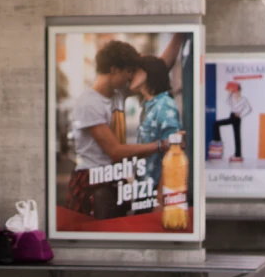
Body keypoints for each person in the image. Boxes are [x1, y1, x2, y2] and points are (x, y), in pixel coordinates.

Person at [65, 36, 185, 219]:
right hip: (94, 183)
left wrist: (178, 37)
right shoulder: (89, 103)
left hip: (112, 179)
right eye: (129, 71)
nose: (131, 76)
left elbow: (158, 69)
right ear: (114, 70)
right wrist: (162, 145)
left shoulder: (116, 93)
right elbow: (115, 151)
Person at [131, 56, 183, 191]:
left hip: (157, 190)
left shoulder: (164, 105)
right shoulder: (148, 106)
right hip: (145, 188)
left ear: (146, 73)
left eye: (134, 71)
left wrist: (161, 195)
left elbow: (173, 152)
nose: (130, 75)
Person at [211, 81, 252, 163]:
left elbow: (249, 109)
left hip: (237, 118)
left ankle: (238, 154)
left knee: (237, 136)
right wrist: (229, 94)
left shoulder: (244, 99)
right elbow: (228, 103)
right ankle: (217, 139)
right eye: (234, 91)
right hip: (232, 115)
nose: (235, 93)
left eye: (237, 91)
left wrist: (241, 114)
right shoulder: (232, 97)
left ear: (240, 91)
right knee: (216, 123)